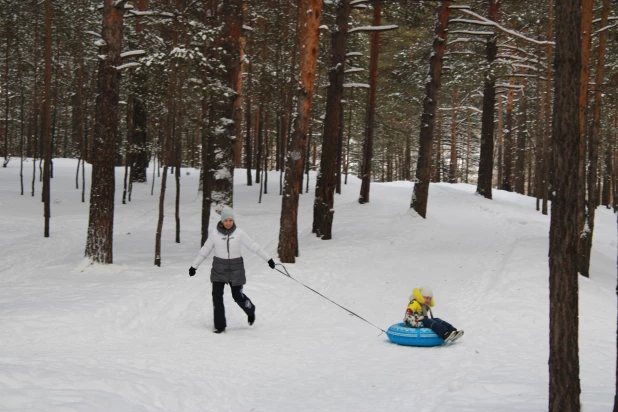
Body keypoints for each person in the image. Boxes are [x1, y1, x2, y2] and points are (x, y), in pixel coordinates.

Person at [189, 207, 276, 333]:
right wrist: (194, 266)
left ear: (233, 221)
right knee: (216, 296)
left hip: (236, 270)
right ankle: (220, 325)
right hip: (219, 269)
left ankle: (250, 310)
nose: (228, 223)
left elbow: (253, 246)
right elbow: (205, 250)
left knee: (238, 296)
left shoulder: (239, 233)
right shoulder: (215, 234)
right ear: (222, 221)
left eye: (230, 220)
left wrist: (269, 259)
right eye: (226, 220)